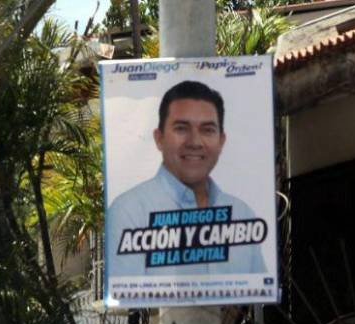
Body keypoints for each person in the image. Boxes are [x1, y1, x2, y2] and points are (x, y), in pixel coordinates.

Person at [106, 79, 266, 278]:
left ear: (221, 141)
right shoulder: (128, 212)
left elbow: (257, 284)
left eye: (207, 130)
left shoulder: (242, 216)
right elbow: (124, 292)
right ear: (159, 138)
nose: (195, 142)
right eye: (182, 128)